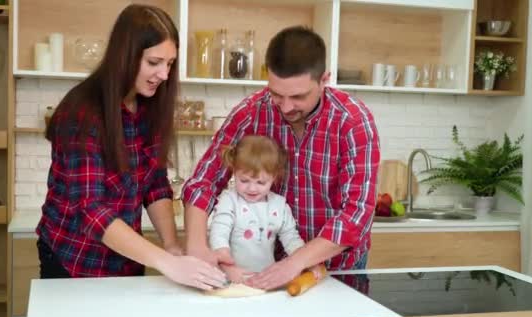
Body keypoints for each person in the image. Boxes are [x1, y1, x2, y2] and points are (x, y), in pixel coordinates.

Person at [36, 4, 226, 290]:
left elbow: (155, 184)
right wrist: (167, 262)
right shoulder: (81, 112)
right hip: (73, 261)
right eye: (154, 62)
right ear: (125, 56)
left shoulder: (148, 106)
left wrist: (173, 246)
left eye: (170, 63)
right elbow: (91, 210)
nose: (164, 74)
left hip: (125, 260)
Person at [182, 26, 380, 290]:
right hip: (266, 269)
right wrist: (196, 246)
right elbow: (203, 182)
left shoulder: (353, 122)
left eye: (298, 96)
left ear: (324, 80)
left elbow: (357, 214)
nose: (286, 107)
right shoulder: (252, 112)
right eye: (276, 94)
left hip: (339, 269)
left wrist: (295, 262)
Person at [208, 135, 305, 283]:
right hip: (230, 276)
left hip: (265, 278)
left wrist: (305, 262)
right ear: (234, 172)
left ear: (274, 177)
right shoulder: (229, 200)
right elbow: (219, 231)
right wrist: (225, 262)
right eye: (244, 180)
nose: (252, 188)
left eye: (261, 182)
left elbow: (291, 238)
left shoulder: (279, 205)